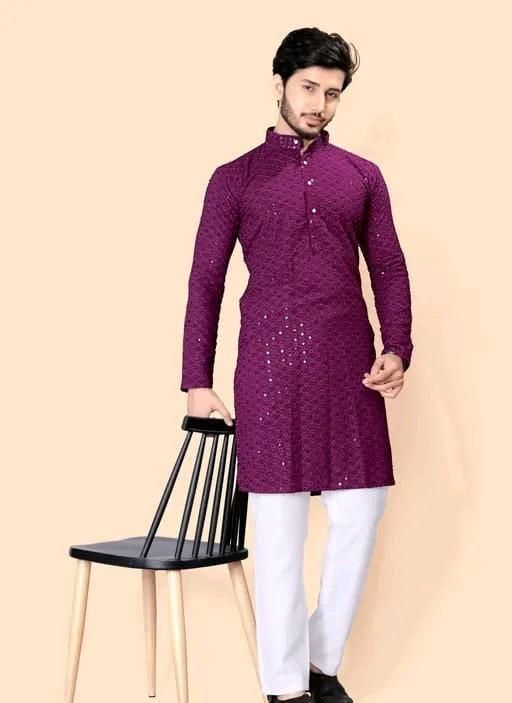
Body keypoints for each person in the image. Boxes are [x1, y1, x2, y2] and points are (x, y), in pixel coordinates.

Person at [180, 26, 413, 703]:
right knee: (278, 536)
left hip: (349, 369)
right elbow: (205, 281)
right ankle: (286, 689)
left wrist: (396, 347)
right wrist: (197, 379)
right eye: (309, 88)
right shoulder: (235, 178)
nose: (319, 104)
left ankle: (319, 661)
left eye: (333, 94)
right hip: (270, 370)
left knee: (361, 513)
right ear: (279, 84)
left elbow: (389, 266)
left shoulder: (361, 176)